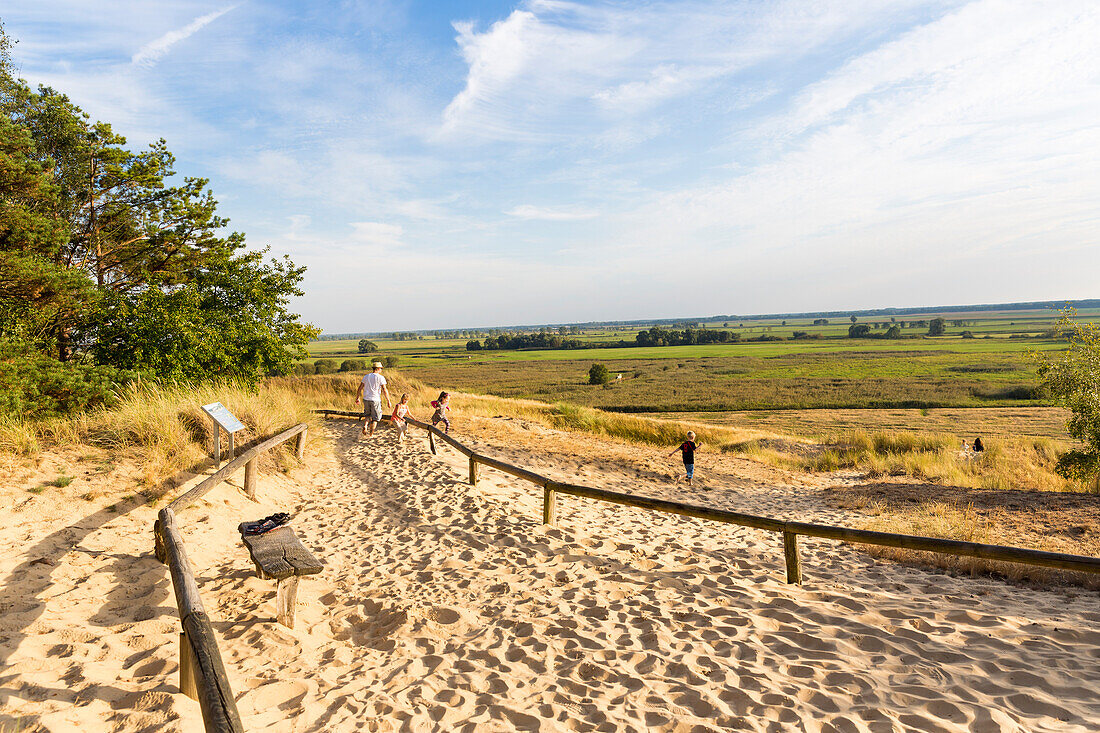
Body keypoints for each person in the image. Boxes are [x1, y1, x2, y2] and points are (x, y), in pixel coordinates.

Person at [354, 361, 391, 437]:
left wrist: (357, 398)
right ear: (378, 369)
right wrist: (388, 401)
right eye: (381, 368)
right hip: (375, 399)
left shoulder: (366, 376)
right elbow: (384, 389)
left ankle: (365, 425)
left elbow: (360, 388)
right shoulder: (381, 378)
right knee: (375, 418)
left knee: (367, 415)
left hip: (366, 398)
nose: (381, 370)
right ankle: (371, 434)